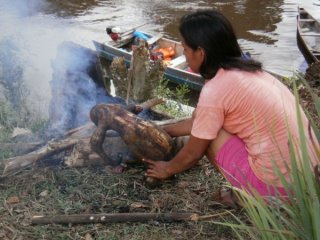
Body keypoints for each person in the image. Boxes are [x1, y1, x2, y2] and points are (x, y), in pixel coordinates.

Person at [143, 10, 319, 205]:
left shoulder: (216, 89)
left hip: (278, 190)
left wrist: (167, 168)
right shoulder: (252, 71)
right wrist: (163, 130)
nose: (184, 54)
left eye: (185, 49)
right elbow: (198, 121)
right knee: (207, 121)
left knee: (209, 136)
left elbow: (194, 152)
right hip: (309, 179)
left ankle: (248, 197)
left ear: (200, 53)